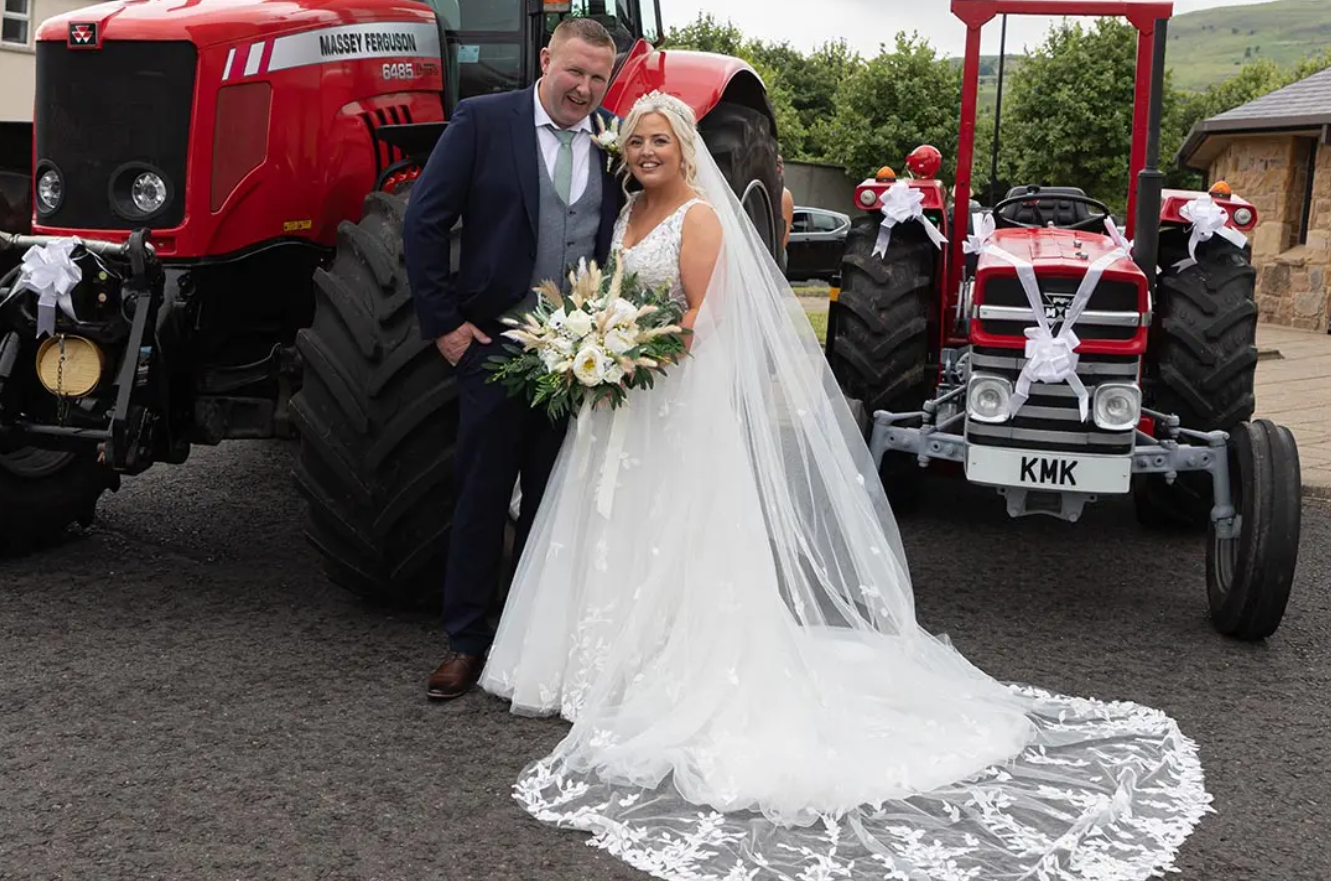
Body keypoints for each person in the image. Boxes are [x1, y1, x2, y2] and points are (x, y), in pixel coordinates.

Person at [476, 91, 1212, 881]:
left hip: (668, 400)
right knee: (609, 521)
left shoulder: (698, 216)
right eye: (637, 142)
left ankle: (655, 664)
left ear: (685, 149)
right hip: (619, 403)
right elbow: (614, 298)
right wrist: (593, 338)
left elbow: (703, 324)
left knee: (674, 526)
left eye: (660, 140)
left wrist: (628, 353)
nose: (646, 151)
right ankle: (593, 661)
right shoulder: (626, 215)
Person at [403, 18, 628, 700]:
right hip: (493, 348)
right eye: (575, 73)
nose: (584, 89)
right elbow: (424, 220)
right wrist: (445, 326)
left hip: (579, 357)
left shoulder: (617, 136)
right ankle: (466, 642)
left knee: (554, 502)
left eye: (598, 77)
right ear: (546, 59)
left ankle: (530, 642)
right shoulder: (482, 120)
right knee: (481, 494)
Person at [778, 152, 795, 253]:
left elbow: (785, 233)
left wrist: (777, 256)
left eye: (780, 164)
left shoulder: (784, 194)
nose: (780, 167)